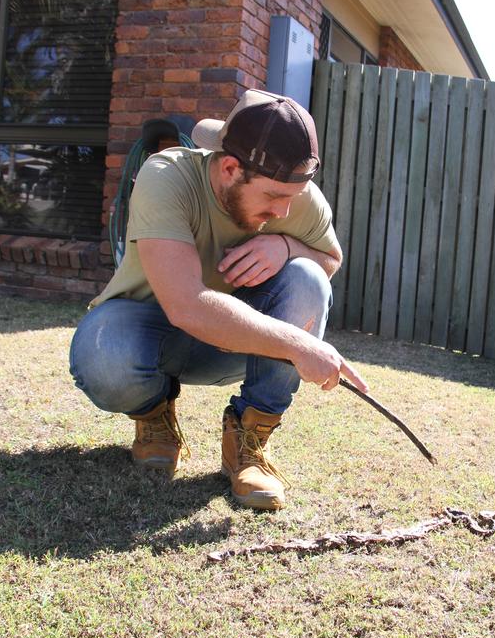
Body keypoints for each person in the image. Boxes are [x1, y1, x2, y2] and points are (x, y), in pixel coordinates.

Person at [69, 89, 368, 510]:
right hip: (151, 335)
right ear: (230, 168)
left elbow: (330, 258)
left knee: (309, 278)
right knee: (103, 357)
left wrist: (286, 248)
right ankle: (154, 415)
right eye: (273, 198)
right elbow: (186, 305)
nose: (285, 212)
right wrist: (300, 345)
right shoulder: (166, 176)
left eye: (293, 198)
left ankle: (248, 441)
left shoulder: (295, 197)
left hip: (238, 347)